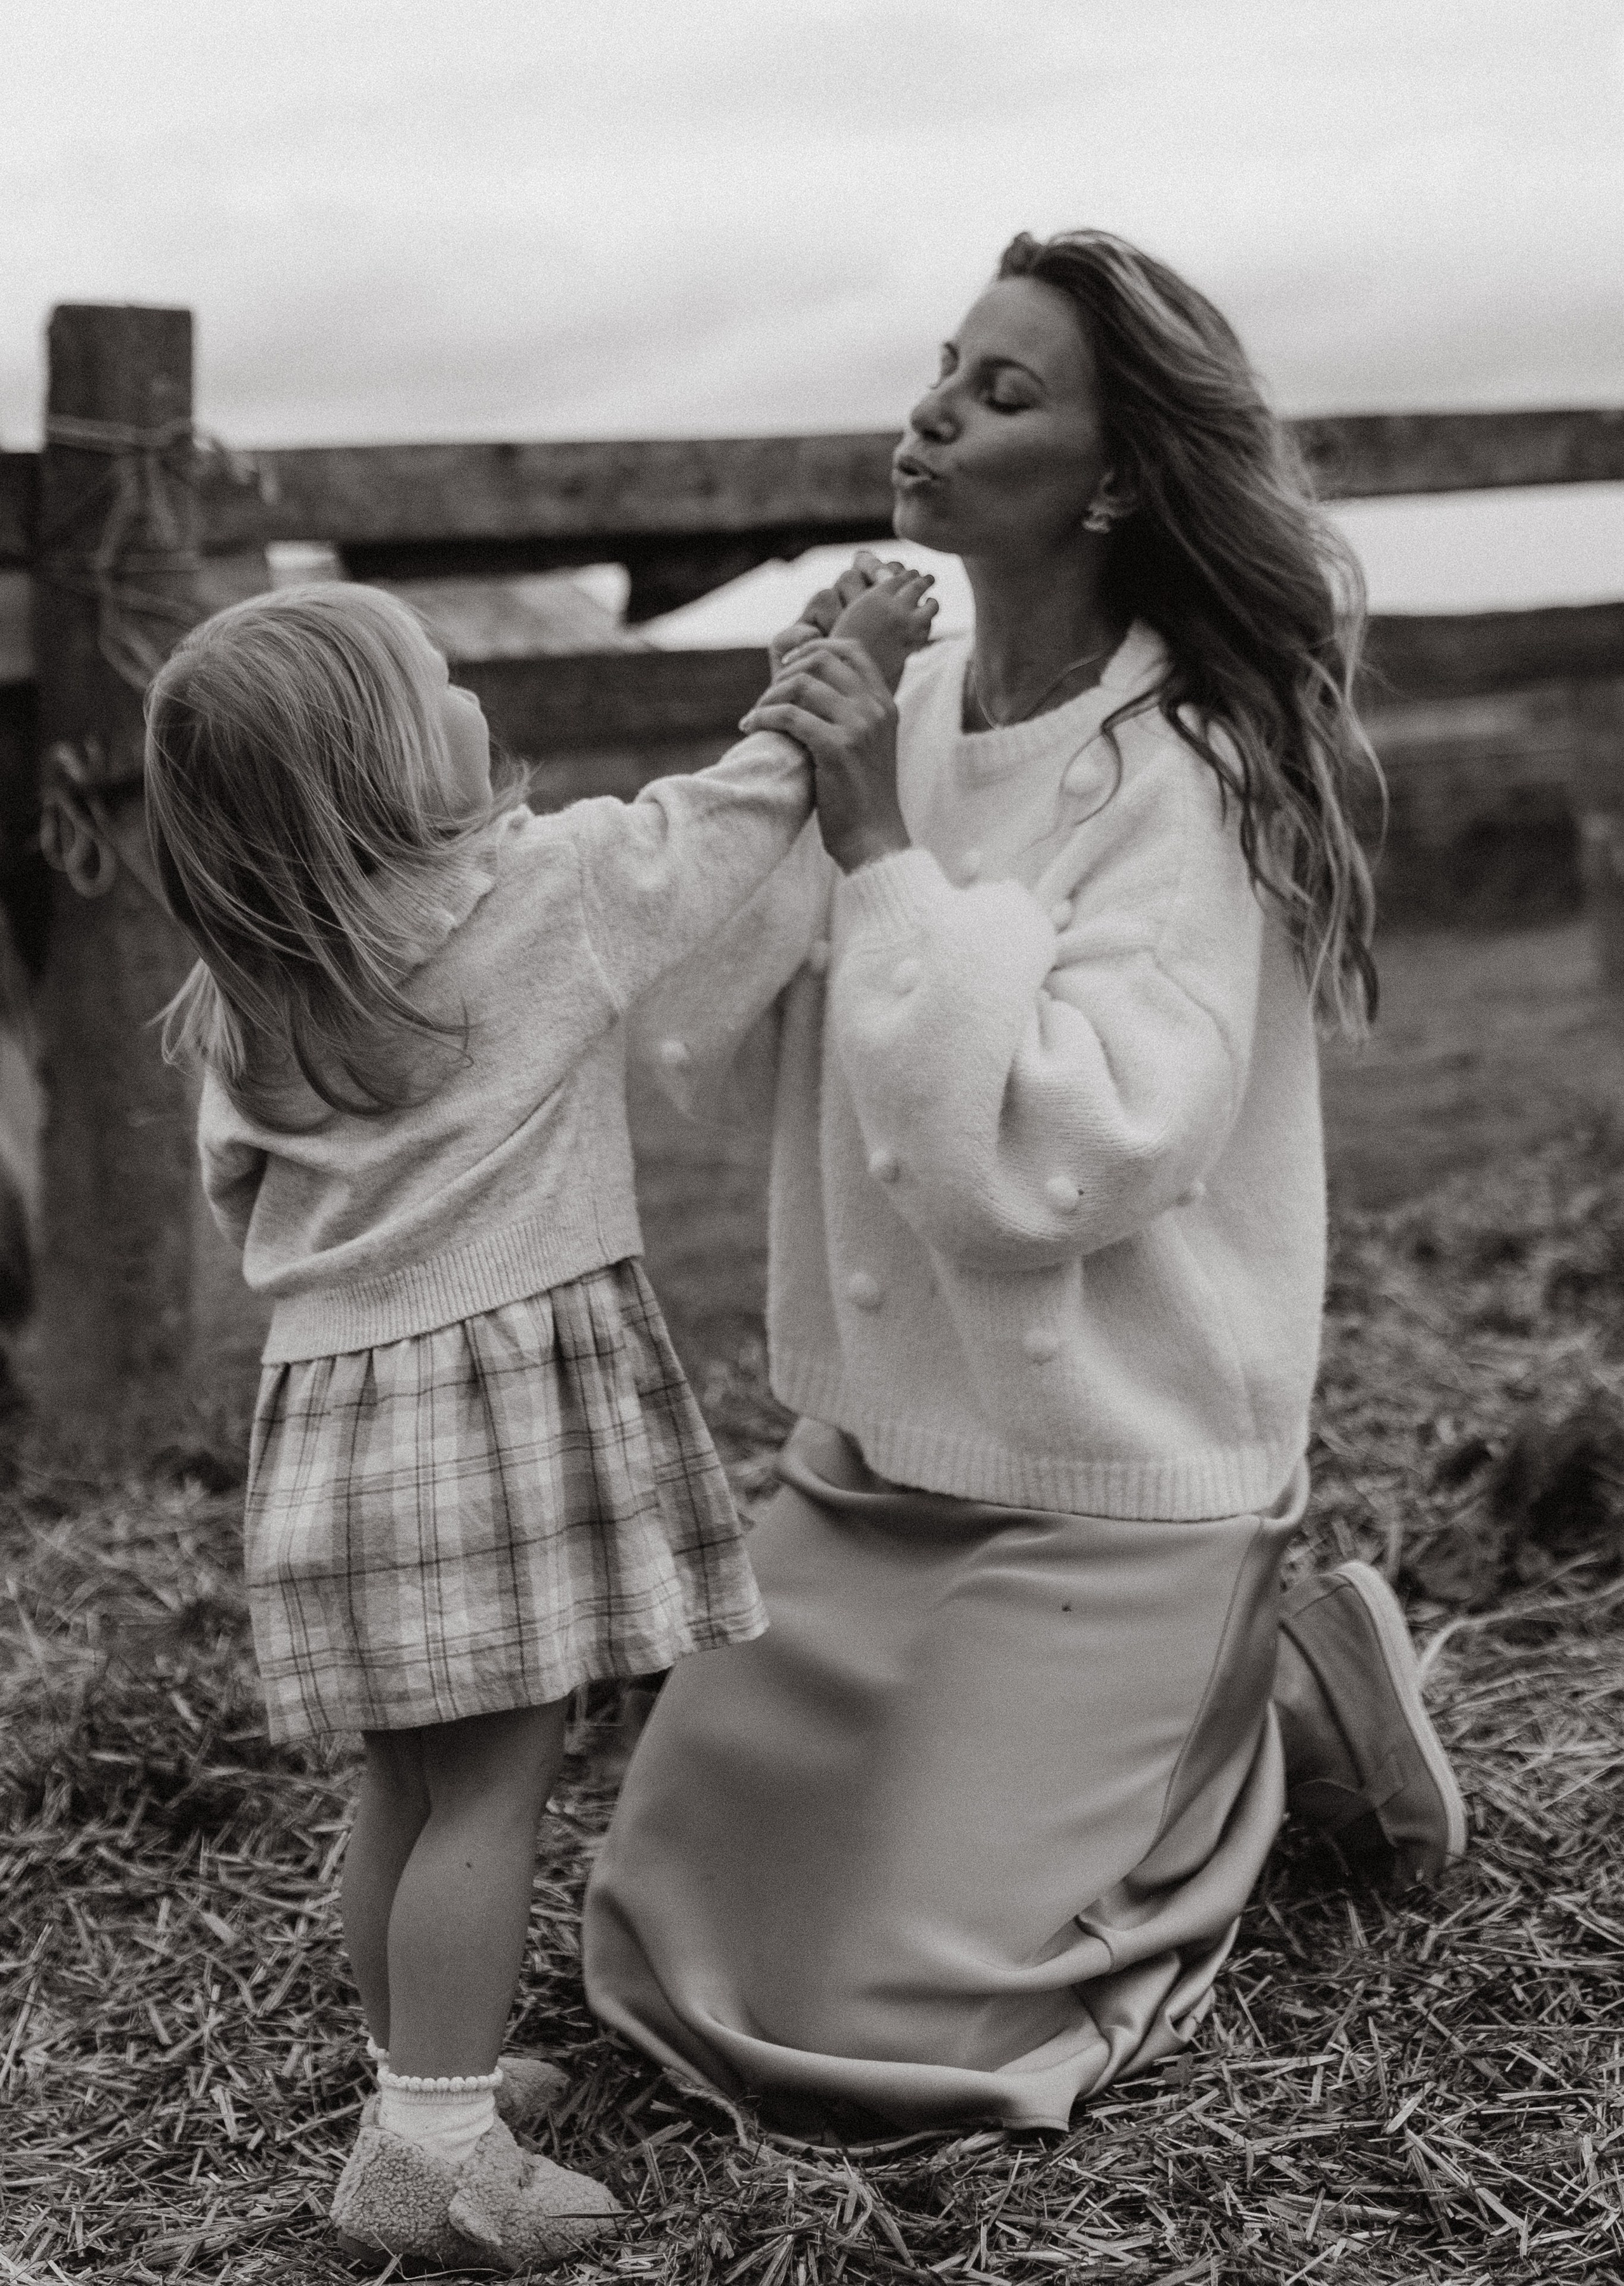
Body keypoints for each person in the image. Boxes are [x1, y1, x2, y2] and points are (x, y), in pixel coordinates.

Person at [583, 229, 1468, 2135]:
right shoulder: (899, 713)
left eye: (1005, 392)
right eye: (942, 368)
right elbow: (695, 1043)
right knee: (666, 1941)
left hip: (1108, 1482)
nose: (933, 411)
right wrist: (784, 765)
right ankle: (1213, 1711)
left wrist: (882, 852)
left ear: (1119, 474)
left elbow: (1059, 1161)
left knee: (891, 2038)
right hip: (882, 1463)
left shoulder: (1195, 772)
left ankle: (1277, 1693)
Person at [141, 571, 935, 2266]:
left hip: (331, 1431)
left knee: (408, 1786)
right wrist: (835, 675)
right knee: (502, 1788)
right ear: (371, 766)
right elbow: (732, 822)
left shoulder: (247, 1002)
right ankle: (437, 2150)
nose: (466, 684)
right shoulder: (548, 890)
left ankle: (412, 2080)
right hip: (490, 1415)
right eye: (433, 677)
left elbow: (244, 1210)